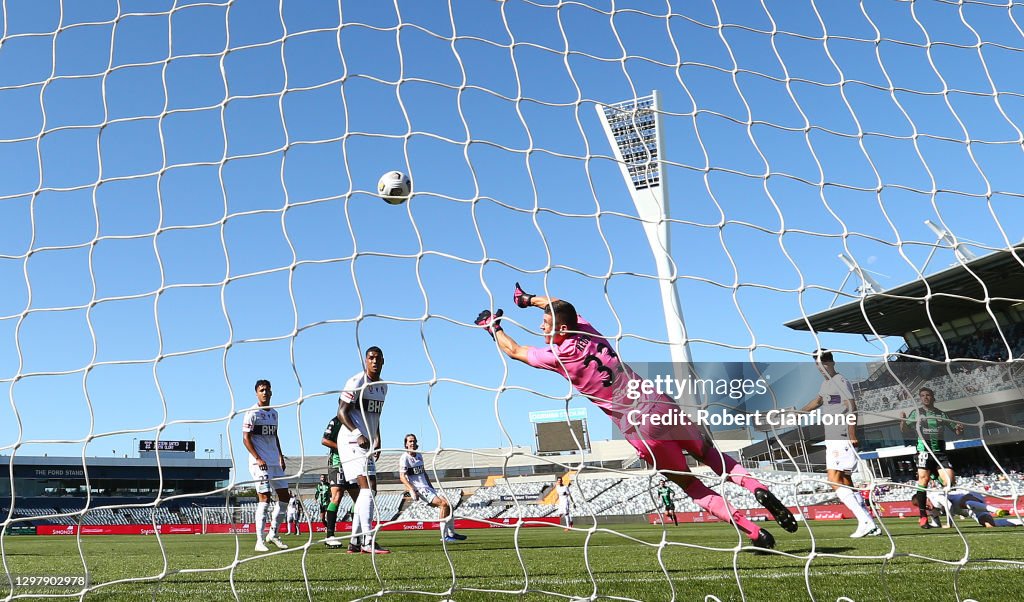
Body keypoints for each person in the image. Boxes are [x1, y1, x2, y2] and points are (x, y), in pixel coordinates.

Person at [474, 284, 797, 550]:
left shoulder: (558, 354)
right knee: (710, 453)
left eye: (545, 326)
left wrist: (493, 326)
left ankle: (755, 533)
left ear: (560, 328)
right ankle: (755, 487)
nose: (541, 329)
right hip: (660, 404)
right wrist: (528, 300)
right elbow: (558, 303)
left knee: (689, 482)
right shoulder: (589, 330)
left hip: (639, 427)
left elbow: (515, 351)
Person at [793, 350, 879, 538]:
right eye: (817, 363)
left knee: (833, 479)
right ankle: (869, 522)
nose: (820, 367)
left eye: (823, 362)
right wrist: (799, 412)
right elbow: (818, 401)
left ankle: (866, 521)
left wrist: (851, 434)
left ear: (832, 362)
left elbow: (852, 407)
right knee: (847, 481)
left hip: (841, 437)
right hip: (832, 438)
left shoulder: (840, 381)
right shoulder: (826, 384)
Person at [337, 346, 390, 554]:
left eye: (378, 358)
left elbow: (375, 416)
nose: (374, 361)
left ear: (383, 361)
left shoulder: (383, 387)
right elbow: (341, 412)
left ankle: (354, 541)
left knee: (367, 491)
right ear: (365, 361)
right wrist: (358, 433)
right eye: (371, 358)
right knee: (370, 486)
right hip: (351, 440)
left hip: (367, 441)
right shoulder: (356, 382)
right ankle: (368, 541)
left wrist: (378, 438)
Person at [900, 387, 964, 528]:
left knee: (949, 481)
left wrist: (959, 429)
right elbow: (905, 430)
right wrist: (903, 422)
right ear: (920, 398)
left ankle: (940, 505)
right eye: (922, 395)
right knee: (923, 480)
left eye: (928, 395)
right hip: (924, 451)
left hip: (940, 453)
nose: (925, 398)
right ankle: (923, 516)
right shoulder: (916, 414)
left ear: (933, 397)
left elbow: (957, 431)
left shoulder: (941, 415)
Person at [241, 379, 290, 552]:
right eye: (262, 390)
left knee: (285, 497)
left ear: (271, 392)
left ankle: (273, 534)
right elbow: (245, 438)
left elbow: (275, 436)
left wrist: (280, 455)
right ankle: (259, 540)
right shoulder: (252, 413)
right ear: (256, 393)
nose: (265, 393)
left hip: (274, 461)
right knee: (265, 498)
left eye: (267, 390)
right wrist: (258, 457)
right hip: (259, 463)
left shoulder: (275, 414)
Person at [399, 433, 467, 542]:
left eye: (414, 441)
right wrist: (411, 489)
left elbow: (423, 472)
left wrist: (431, 487)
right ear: (406, 444)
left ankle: (452, 533)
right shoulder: (404, 458)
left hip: (428, 488)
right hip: (419, 490)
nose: (412, 443)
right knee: (443, 505)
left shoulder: (419, 455)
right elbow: (402, 477)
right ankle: (444, 536)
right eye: (410, 441)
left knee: (449, 505)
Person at [321, 415, 364, 549]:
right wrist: (342, 449)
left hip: (352, 462)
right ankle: (330, 536)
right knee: (337, 496)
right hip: (337, 462)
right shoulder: (336, 421)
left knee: (360, 499)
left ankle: (357, 535)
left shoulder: (358, 420)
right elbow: (324, 440)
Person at [926, 489, 1018, 528]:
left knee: (965, 503)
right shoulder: (929, 509)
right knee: (990, 524)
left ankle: (996, 510)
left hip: (968, 496)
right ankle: (1020, 521)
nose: (926, 507)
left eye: (925, 504)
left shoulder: (934, 496)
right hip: (970, 511)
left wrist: (949, 524)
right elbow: (936, 524)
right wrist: (927, 525)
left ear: (926, 499)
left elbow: (949, 505)